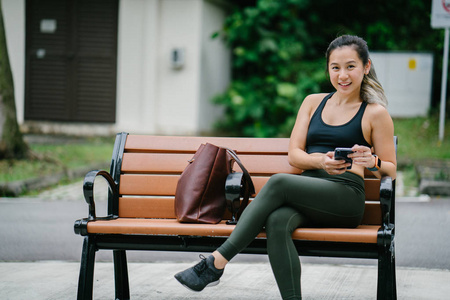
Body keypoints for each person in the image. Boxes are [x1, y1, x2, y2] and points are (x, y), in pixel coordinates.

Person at [174, 35, 397, 300]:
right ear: (328, 69)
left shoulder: (375, 113)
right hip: (307, 192)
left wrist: (372, 162)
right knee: (277, 221)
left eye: (351, 66)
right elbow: (294, 155)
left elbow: (391, 170)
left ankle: (216, 262)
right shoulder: (313, 102)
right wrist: (320, 161)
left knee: (279, 182)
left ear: (366, 67)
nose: (343, 75)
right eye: (335, 67)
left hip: (345, 197)